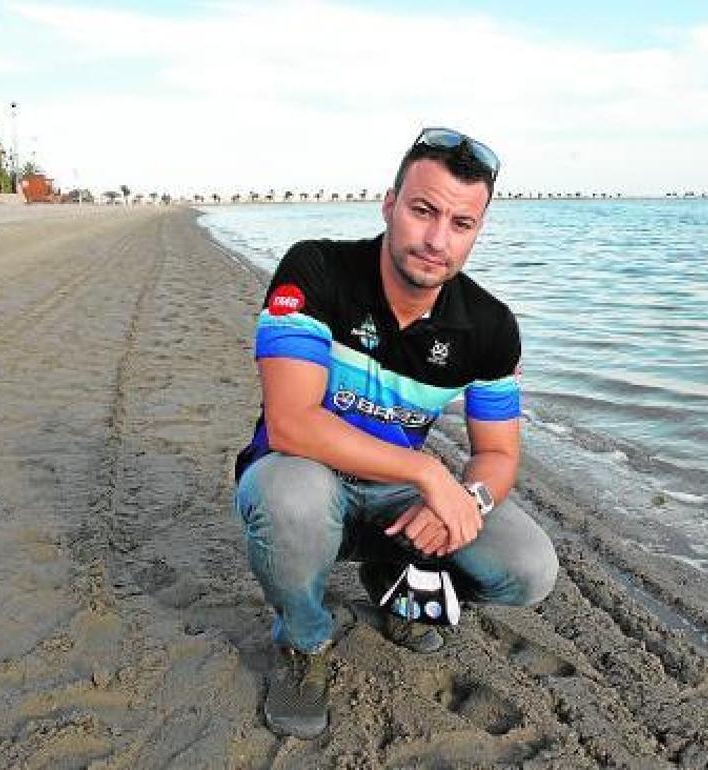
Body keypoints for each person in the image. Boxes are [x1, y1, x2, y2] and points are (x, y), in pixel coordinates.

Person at [232, 127, 558, 739]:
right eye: (423, 210)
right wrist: (430, 473)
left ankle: (392, 583)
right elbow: (291, 421)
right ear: (389, 205)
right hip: (302, 473)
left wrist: (470, 500)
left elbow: (497, 454)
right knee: (289, 499)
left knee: (529, 567)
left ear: (477, 232)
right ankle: (303, 641)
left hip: (391, 499)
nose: (437, 239)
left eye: (461, 223)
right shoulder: (317, 269)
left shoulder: (489, 326)